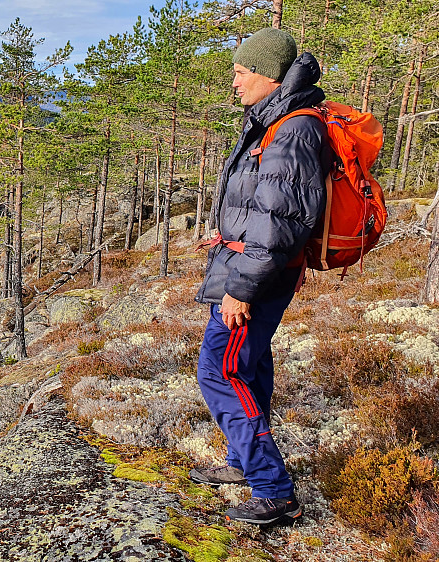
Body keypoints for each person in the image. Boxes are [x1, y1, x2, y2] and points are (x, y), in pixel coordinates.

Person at [190, 28, 330, 525]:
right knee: (247, 366)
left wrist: (240, 287)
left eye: (241, 72)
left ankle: (274, 490)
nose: (234, 83)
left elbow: (280, 224)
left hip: (254, 275)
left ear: (270, 76)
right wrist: (225, 232)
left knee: (220, 371)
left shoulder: (292, 130)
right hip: (249, 263)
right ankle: (241, 464)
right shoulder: (275, 121)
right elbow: (264, 207)